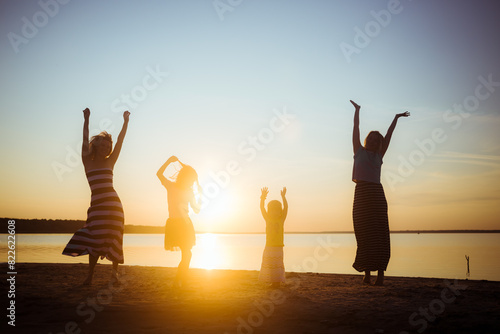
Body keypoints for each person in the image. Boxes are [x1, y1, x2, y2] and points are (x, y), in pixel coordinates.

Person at [62, 108, 130, 285]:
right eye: (103, 144)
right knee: (94, 239)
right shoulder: (87, 162)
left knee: (115, 237)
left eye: (108, 145)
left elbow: (121, 141)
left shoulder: (110, 161)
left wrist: (126, 122)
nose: (106, 147)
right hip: (97, 206)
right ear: (97, 146)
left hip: (114, 205)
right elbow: (84, 140)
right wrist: (86, 119)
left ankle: (113, 274)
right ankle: (89, 276)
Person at [350, 100, 409, 286]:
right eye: (372, 139)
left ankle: (381, 274)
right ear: (368, 140)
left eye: (378, 140)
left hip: (375, 195)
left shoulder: (379, 155)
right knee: (363, 235)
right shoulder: (358, 151)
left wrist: (396, 118)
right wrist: (357, 111)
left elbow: (390, 135)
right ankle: (367, 274)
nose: (375, 141)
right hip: (361, 194)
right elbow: (356, 128)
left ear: (379, 143)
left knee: (380, 235)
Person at [157, 156, 202, 288]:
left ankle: (181, 280)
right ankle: (180, 281)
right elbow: (159, 174)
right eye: (191, 179)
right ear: (185, 177)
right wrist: (169, 161)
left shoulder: (188, 191)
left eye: (193, 180)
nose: (192, 182)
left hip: (185, 224)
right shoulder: (171, 186)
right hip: (176, 224)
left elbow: (197, 210)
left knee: (187, 254)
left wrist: (200, 196)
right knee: (187, 254)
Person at [259, 187, 288, 287]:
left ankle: (277, 282)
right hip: (269, 246)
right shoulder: (267, 219)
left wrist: (283, 197)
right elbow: (262, 208)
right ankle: (272, 281)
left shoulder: (281, 219)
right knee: (270, 264)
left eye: (277, 210)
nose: (274, 212)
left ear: (280, 211)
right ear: (269, 211)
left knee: (277, 265)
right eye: (272, 210)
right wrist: (262, 198)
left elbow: (286, 208)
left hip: (278, 246)